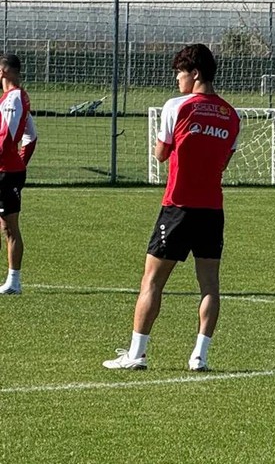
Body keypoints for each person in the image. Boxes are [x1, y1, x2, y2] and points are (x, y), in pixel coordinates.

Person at [104, 44, 240, 371]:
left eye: (180, 72)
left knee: (152, 281)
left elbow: (160, 154)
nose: (177, 79)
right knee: (209, 284)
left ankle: (137, 354)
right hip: (212, 209)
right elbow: (223, 161)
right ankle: (200, 356)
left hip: (178, 206)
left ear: (195, 73)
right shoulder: (231, 115)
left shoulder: (176, 107)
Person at [0, 55, 37, 295]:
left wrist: (15, 165)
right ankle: (12, 280)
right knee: (6, 226)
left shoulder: (14, 98)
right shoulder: (12, 98)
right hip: (9, 170)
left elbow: (7, 139)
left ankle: (14, 282)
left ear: (4, 71)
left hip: (5, 173)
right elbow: (31, 136)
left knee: (10, 226)